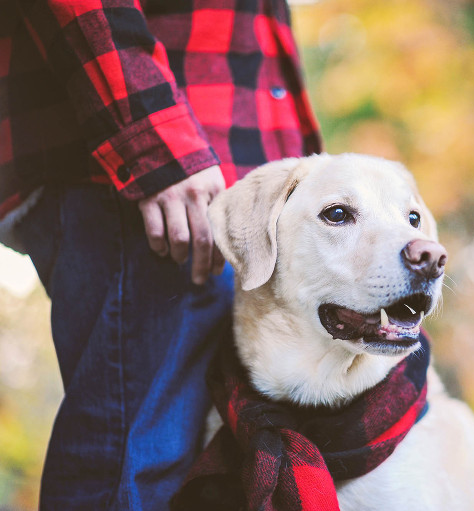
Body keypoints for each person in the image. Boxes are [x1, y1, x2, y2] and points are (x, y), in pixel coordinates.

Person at [0, 1, 321, 509]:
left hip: (233, 188)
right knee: (136, 465)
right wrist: (154, 142)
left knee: (205, 473)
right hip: (154, 179)